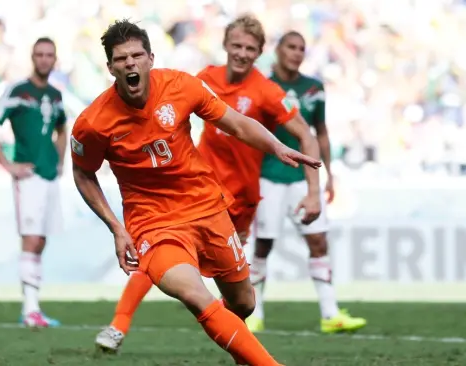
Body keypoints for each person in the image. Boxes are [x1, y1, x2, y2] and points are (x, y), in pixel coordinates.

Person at [72, 19, 320, 365]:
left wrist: (276, 147)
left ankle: (241, 350)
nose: (130, 63)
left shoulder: (182, 86)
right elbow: (83, 174)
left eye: (136, 55)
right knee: (196, 294)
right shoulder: (93, 123)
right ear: (110, 67)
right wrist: (117, 227)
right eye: (121, 58)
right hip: (154, 223)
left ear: (150, 58)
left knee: (244, 303)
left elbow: (235, 122)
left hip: (208, 207)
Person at [245, 31, 367, 334]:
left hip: (304, 176)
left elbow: (320, 133)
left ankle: (330, 314)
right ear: (277, 50)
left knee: (318, 241)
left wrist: (330, 174)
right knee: (263, 245)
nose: (297, 53)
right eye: (291, 46)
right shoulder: (261, 86)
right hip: (268, 176)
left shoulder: (314, 88)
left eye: (302, 48)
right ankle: (254, 313)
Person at [0, 37, 66, 328]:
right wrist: (6, 163)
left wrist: (60, 159)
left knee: (40, 239)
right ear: (32, 57)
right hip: (28, 176)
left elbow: (63, 127)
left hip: (49, 175)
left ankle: (33, 308)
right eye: (39, 54)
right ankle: (30, 309)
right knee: (31, 238)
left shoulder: (56, 95)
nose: (44, 59)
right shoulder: (18, 90)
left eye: (49, 55)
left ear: (55, 60)